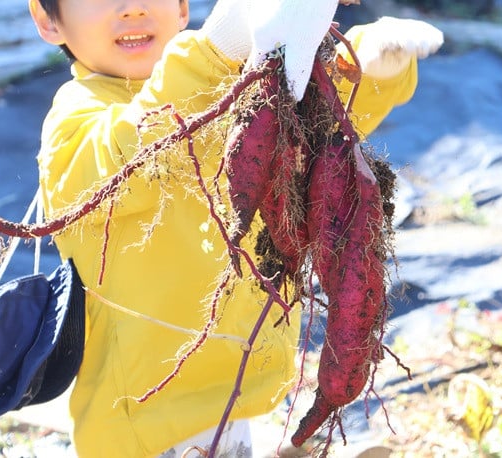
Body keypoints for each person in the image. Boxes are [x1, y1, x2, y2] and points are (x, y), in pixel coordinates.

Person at [27, 0, 443, 456]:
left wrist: (366, 67)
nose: (132, 8)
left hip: (242, 390)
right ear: (49, 20)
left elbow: (316, 131)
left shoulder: (234, 82)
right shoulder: (75, 122)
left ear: (184, 7)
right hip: (144, 423)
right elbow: (136, 149)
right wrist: (212, 53)